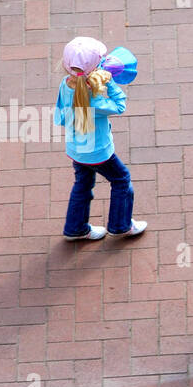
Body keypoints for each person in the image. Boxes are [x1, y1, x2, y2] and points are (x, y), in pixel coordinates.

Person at [55, 36, 147, 241]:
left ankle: (75, 228)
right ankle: (120, 225)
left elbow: (60, 115)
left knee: (83, 183)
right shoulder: (93, 100)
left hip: (75, 149)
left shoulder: (65, 84)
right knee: (121, 179)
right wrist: (110, 82)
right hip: (98, 152)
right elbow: (120, 105)